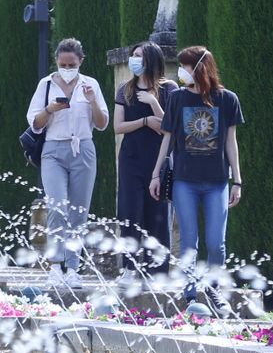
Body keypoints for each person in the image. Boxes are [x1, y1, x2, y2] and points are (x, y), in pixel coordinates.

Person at [149, 46, 243, 299]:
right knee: (189, 242)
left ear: (199, 67)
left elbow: (230, 142)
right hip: (184, 181)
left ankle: (214, 290)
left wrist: (238, 180)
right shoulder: (177, 98)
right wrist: (156, 174)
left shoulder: (227, 99)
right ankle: (189, 294)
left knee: (216, 243)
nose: (181, 72)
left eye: (185, 66)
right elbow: (167, 139)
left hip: (217, 182)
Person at [25, 38, 109, 290]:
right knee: (57, 206)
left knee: (78, 211)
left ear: (80, 61)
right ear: (56, 62)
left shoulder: (90, 84)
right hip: (53, 149)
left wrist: (92, 100)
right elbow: (35, 123)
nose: (67, 67)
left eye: (71, 63)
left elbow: (103, 123)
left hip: (83, 148)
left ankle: (73, 267)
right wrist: (50, 109)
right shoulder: (46, 84)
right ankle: (54, 266)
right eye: (62, 63)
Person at [113, 42, 176, 288]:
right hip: (131, 159)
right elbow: (118, 127)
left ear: (152, 60)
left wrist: (152, 102)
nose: (134, 60)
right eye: (133, 56)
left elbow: (168, 126)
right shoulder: (125, 90)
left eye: (139, 56)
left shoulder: (168, 88)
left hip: (158, 160)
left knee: (157, 214)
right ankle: (128, 267)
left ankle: (157, 271)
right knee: (130, 211)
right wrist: (145, 120)